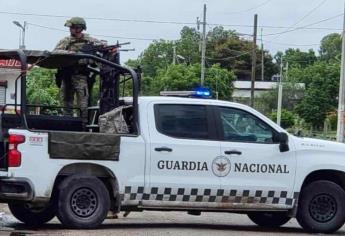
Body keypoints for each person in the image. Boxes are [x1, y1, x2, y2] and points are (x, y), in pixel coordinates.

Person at [54, 17, 102, 124]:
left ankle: (83, 124)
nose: (70, 29)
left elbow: (103, 47)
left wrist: (109, 48)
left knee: (83, 104)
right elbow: (56, 53)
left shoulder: (90, 41)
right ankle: (67, 123)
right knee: (66, 102)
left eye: (72, 27)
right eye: (70, 27)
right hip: (67, 75)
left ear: (79, 28)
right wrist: (71, 54)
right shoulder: (66, 41)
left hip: (81, 76)